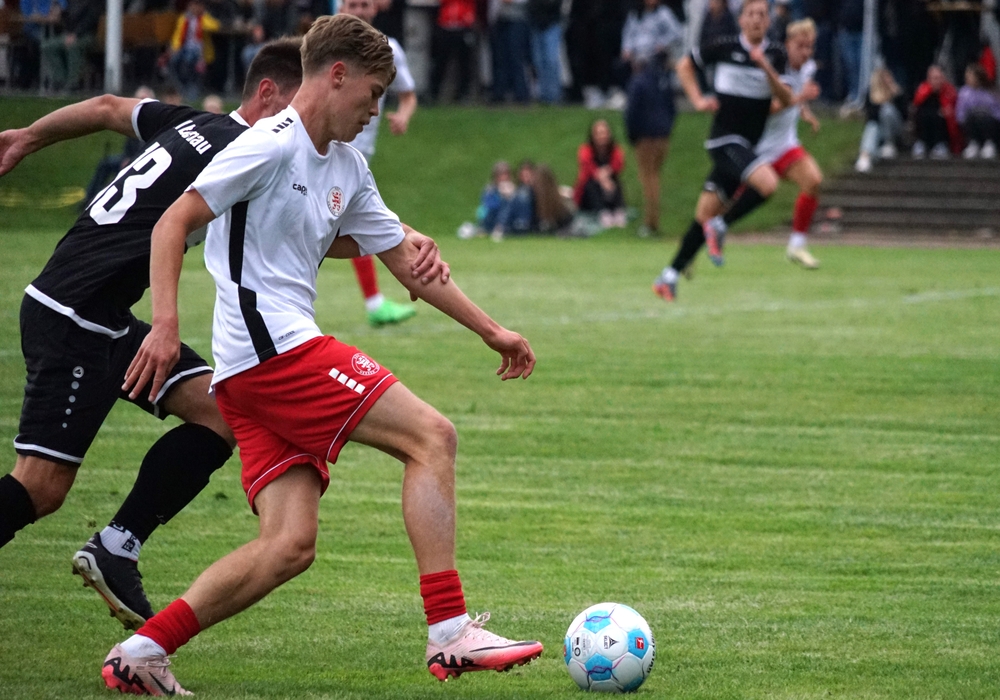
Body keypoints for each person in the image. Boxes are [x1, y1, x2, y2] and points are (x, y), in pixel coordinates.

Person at [101, 15, 542, 694]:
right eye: (373, 93)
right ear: (337, 76)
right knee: (432, 437)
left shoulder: (347, 166)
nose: (376, 110)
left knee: (289, 546)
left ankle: (141, 652)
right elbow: (174, 220)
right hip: (271, 354)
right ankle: (450, 631)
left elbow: (407, 260)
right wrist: (164, 325)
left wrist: (492, 331)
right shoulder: (268, 144)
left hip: (253, 371)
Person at [0, 39, 320, 631]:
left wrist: (27, 137)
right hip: (73, 317)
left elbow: (105, 107)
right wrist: (167, 325)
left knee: (221, 413)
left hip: (100, 314)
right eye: (302, 105)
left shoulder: (193, 124)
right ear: (268, 94)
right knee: (41, 488)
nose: (307, 120)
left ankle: (116, 547)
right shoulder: (246, 150)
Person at [652, 0, 792, 302]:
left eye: (762, 15)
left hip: (746, 147)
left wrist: (765, 67)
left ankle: (668, 276)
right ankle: (721, 225)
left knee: (703, 215)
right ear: (741, 20)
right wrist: (697, 99)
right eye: (751, 14)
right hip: (723, 140)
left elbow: (785, 98)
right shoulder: (723, 46)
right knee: (768, 184)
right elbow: (684, 66)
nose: (756, 20)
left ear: (768, 21)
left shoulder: (777, 54)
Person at [702, 19, 824, 269]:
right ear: (787, 45)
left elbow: (794, 96)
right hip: (755, 148)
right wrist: (800, 98)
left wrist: (805, 111)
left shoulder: (807, 68)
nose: (806, 52)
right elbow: (766, 109)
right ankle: (704, 238)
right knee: (717, 205)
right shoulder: (774, 65)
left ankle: (797, 245)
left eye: (810, 47)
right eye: (800, 46)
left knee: (813, 181)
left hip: (785, 147)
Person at [342, 0, 421, 327]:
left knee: (349, 222)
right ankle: (382, 299)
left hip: (361, 154)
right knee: (358, 221)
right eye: (353, 4)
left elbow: (408, 95)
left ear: (376, 9)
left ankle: (377, 301)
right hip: (330, 147)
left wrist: (403, 117)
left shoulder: (390, 49)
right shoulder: (327, 44)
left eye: (365, 4)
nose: (360, 10)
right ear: (341, 7)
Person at [622, 0, 684, 237]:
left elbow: (632, 111)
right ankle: (651, 221)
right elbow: (672, 109)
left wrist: (632, 134)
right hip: (662, 133)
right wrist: (667, 128)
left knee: (648, 178)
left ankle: (651, 222)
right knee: (655, 176)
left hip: (646, 135)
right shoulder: (663, 81)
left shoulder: (639, 81)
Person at [81, 86, 156, 209]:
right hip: (129, 157)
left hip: (143, 161)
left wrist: (131, 160)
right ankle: (90, 198)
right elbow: (129, 144)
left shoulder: (153, 122)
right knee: (105, 164)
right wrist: (127, 157)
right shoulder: (134, 119)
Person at [574, 119, 626, 229]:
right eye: (599, 133)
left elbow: (618, 163)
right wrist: (602, 178)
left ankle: (618, 211)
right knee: (591, 184)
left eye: (604, 133)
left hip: (608, 185)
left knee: (616, 181)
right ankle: (603, 213)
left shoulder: (614, 149)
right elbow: (588, 167)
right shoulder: (585, 149)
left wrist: (607, 172)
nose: (602, 136)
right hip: (588, 192)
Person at [39, 0, 100, 92]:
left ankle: (73, 82)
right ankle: (59, 80)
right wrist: (59, 13)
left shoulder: (93, 3)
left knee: (73, 46)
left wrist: (76, 34)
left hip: (87, 35)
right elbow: (67, 19)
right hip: (69, 34)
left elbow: (90, 21)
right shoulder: (70, 2)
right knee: (47, 46)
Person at [854, 66, 907, 172]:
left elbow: (904, 115)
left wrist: (896, 96)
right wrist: (880, 104)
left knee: (887, 110)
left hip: (895, 129)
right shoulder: (870, 95)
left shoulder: (897, 93)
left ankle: (889, 143)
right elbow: (870, 117)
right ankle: (865, 156)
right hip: (879, 129)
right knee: (872, 126)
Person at [168, 0, 220, 103]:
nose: (194, 8)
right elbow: (177, 35)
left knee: (189, 60)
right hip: (184, 48)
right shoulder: (184, 18)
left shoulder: (204, 18)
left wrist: (203, 18)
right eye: (193, 5)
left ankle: (192, 89)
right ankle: (182, 87)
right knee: (174, 60)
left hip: (200, 51)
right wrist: (174, 48)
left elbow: (215, 26)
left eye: (197, 5)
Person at [429, 0, 476, 103]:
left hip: (463, 26)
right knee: (441, 61)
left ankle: (463, 93)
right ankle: (434, 91)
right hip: (445, 25)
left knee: (464, 63)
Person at [912, 64, 959, 159]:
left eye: (939, 78)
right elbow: (915, 106)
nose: (937, 81)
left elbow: (953, 110)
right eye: (934, 78)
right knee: (923, 115)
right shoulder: (923, 90)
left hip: (943, 128)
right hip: (925, 125)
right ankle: (922, 144)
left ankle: (941, 145)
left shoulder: (950, 91)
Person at [957, 63, 1000, 159]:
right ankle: (973, 143)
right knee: (971, 117)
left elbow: (997, 111)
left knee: (984, 117)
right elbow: (960, 112)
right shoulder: (964, 92)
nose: (967, 79)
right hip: (972, 123)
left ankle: (989, 143)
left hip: (990, 124)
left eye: (970, 76)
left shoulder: (990, 92)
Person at [528, 0, 564, 104]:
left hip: (551, 22)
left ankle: (553, 95)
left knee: (550, 60)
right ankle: (544, 94)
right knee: (538, 61)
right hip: (536, 23)